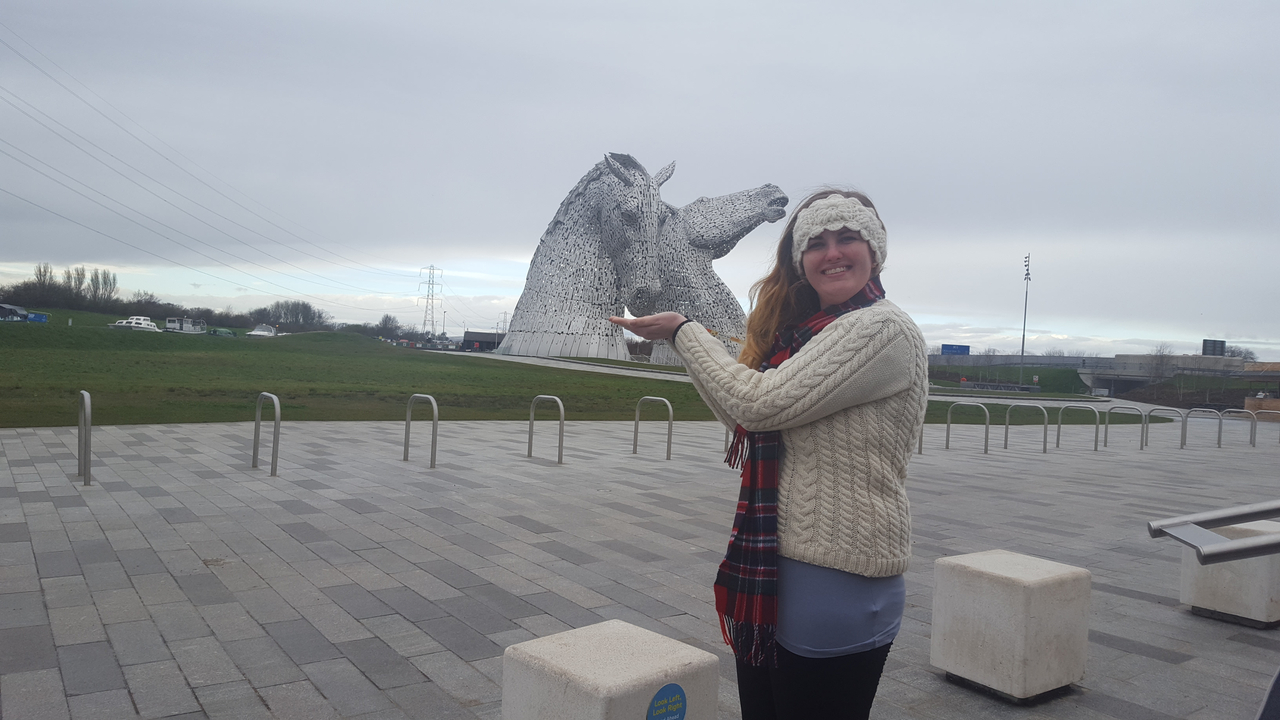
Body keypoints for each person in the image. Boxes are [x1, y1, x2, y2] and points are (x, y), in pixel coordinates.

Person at [611, 189, 928, 719]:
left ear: (874, 251)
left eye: (847, 238)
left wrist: (684, 333)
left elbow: (757, 404)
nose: (832, 253)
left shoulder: (880, 329)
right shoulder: (806, 337)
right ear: (801, 262)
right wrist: (683, 343)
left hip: (841, 574)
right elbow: (747, 414)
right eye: (816, 244)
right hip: (779, 568)